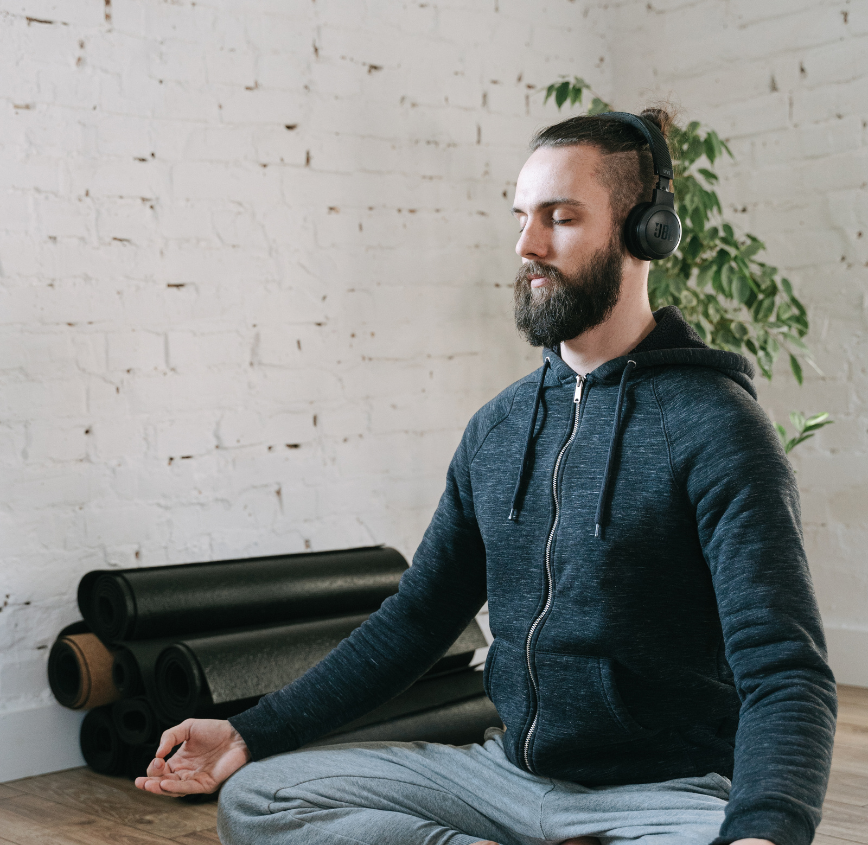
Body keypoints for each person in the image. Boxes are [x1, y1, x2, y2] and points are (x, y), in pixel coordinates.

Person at [136, 109, 837, 845]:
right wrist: (251, 734)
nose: (527, 246)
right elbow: (417, 619)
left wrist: (762, 833)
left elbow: (786, 670)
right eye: (523, 217)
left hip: (664, 797)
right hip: (506, 779)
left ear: (643, 233)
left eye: (560, 219)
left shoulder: (715, 428)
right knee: (260, 799)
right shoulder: (498, 430)